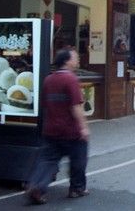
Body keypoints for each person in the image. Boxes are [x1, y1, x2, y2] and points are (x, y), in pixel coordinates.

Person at [26, 48, 90, 205]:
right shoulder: (71, 80)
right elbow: (76, 106)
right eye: (75, 58)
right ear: (67, 61)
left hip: (51, 129)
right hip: (71, 130)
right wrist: (83, 127)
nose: (78, 60)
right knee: (78, 159)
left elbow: (45, 104)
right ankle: (77, 188)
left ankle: (37, 187)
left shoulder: (49, 79)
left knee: (47, 160)